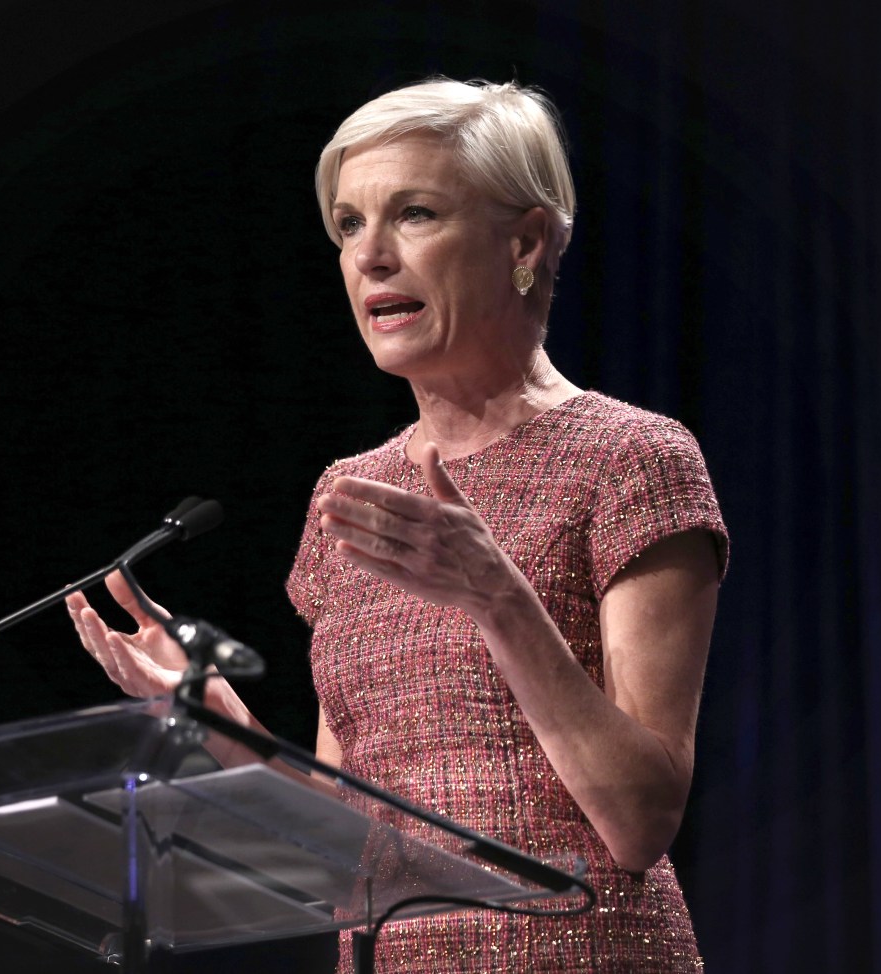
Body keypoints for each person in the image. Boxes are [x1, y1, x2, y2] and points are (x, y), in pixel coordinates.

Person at [67, 77, 728, 973]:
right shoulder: (354, 491)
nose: (370, 256)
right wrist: (227, 731)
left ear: (526, 242)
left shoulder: (631, 458)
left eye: (414, 213)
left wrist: (498, 597)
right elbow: (353, 838)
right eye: (349, 224)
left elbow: (641, 820)